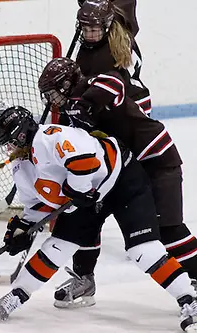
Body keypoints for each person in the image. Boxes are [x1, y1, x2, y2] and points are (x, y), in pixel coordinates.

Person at [0, 106, 197, 332]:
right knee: (57, 246)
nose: (8, 148)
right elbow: (37, 206)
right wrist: (24, 228)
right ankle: (18, 293)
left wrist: (76, 189)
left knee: (143, 250)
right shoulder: (21, 167)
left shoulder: (53, 137)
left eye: (10, 141)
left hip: (122, 182)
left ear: (22, 134)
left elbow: (86, 163)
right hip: (85, 197)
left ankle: (190, 299)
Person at [44, 56, 197, 309]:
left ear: (66, 83)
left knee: (168, 230)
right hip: (120, 171)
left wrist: (87, 105)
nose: (51, 100)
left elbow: (115, 82)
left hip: (155, 160)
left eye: (52, 92)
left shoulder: (93, 84)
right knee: (86, 219)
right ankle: (84, 279)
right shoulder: (67, 113)